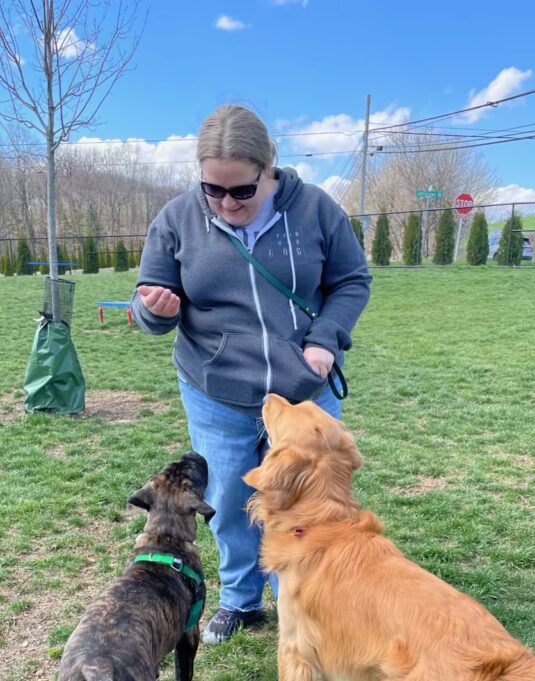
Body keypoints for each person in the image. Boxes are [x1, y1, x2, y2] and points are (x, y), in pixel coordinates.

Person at [130, 104, 371, 644]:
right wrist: (156, 311)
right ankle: (242, 600)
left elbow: (353, 280)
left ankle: (316, 605)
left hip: (304, 393)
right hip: (217, 391)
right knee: (233, 509)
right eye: (213, 189)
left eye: (242, 190)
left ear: (270, 169)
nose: (227, 202)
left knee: (313, 504)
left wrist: (324, 338)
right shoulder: (176, 220)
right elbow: (146, 304)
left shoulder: (315, 210)